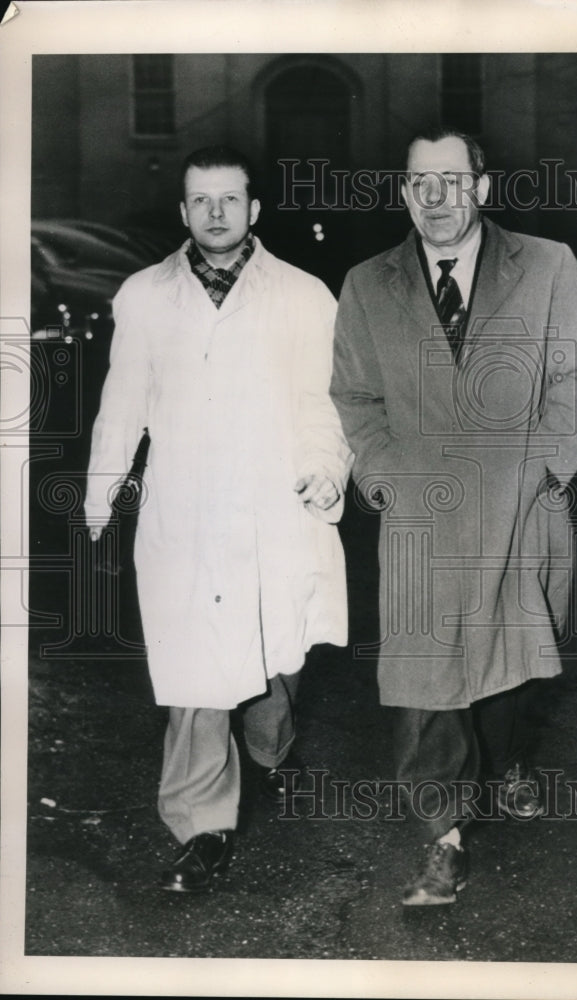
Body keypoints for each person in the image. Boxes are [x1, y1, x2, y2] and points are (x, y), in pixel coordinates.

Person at [330, 128, 577, 905]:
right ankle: (442, 840)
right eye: (420, 183)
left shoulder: (548, 266)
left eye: (452, 181)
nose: (436, 198)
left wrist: (545, 472)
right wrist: (384, 480)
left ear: (481, 189)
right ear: (403, 193)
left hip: (520, 505)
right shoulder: (367, 283)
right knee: (426, 682)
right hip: (423, 513)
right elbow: (356, 397)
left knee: (510, 675)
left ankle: (509, 759)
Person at [84, 145, 352, 892]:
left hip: (273, 508)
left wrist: (326, 472)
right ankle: (201, 825)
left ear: (254, 209)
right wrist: (101, 495)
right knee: (195, 671)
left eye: (229, 199)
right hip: (185, 511)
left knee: (272, 663)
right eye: (200, 200)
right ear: (182, 211)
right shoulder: (142, 295)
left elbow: (319, 403)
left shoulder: (303, 295)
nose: (214, 213)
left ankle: (272, 749)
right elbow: (122, 401)